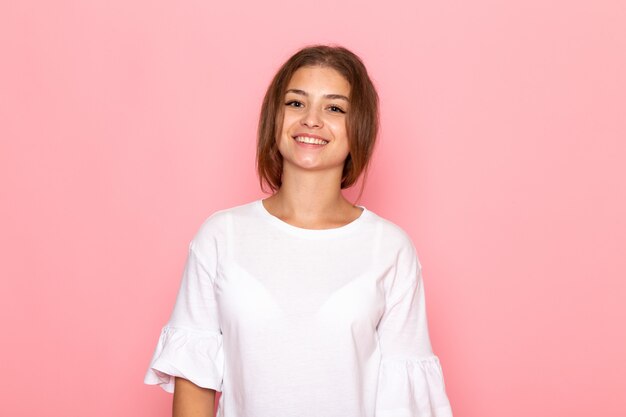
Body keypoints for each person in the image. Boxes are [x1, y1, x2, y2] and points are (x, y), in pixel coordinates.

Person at [144, 44, 453, 417]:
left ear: (360, 129)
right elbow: (194, 385)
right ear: (275, 117)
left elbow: (404, 402)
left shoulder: (390, 249)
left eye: (334, 108)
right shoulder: (220, 237)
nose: (311, 119)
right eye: (296, 103)